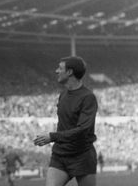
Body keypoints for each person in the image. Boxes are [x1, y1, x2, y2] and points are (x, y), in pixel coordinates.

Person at [33, 56, 98, 186]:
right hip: (61, 155)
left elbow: (83, 130)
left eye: (60, 68)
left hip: (82, 156)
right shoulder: (63, 95)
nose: (57, 71)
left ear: (69, 72)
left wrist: (52, 136)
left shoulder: (88, 97)